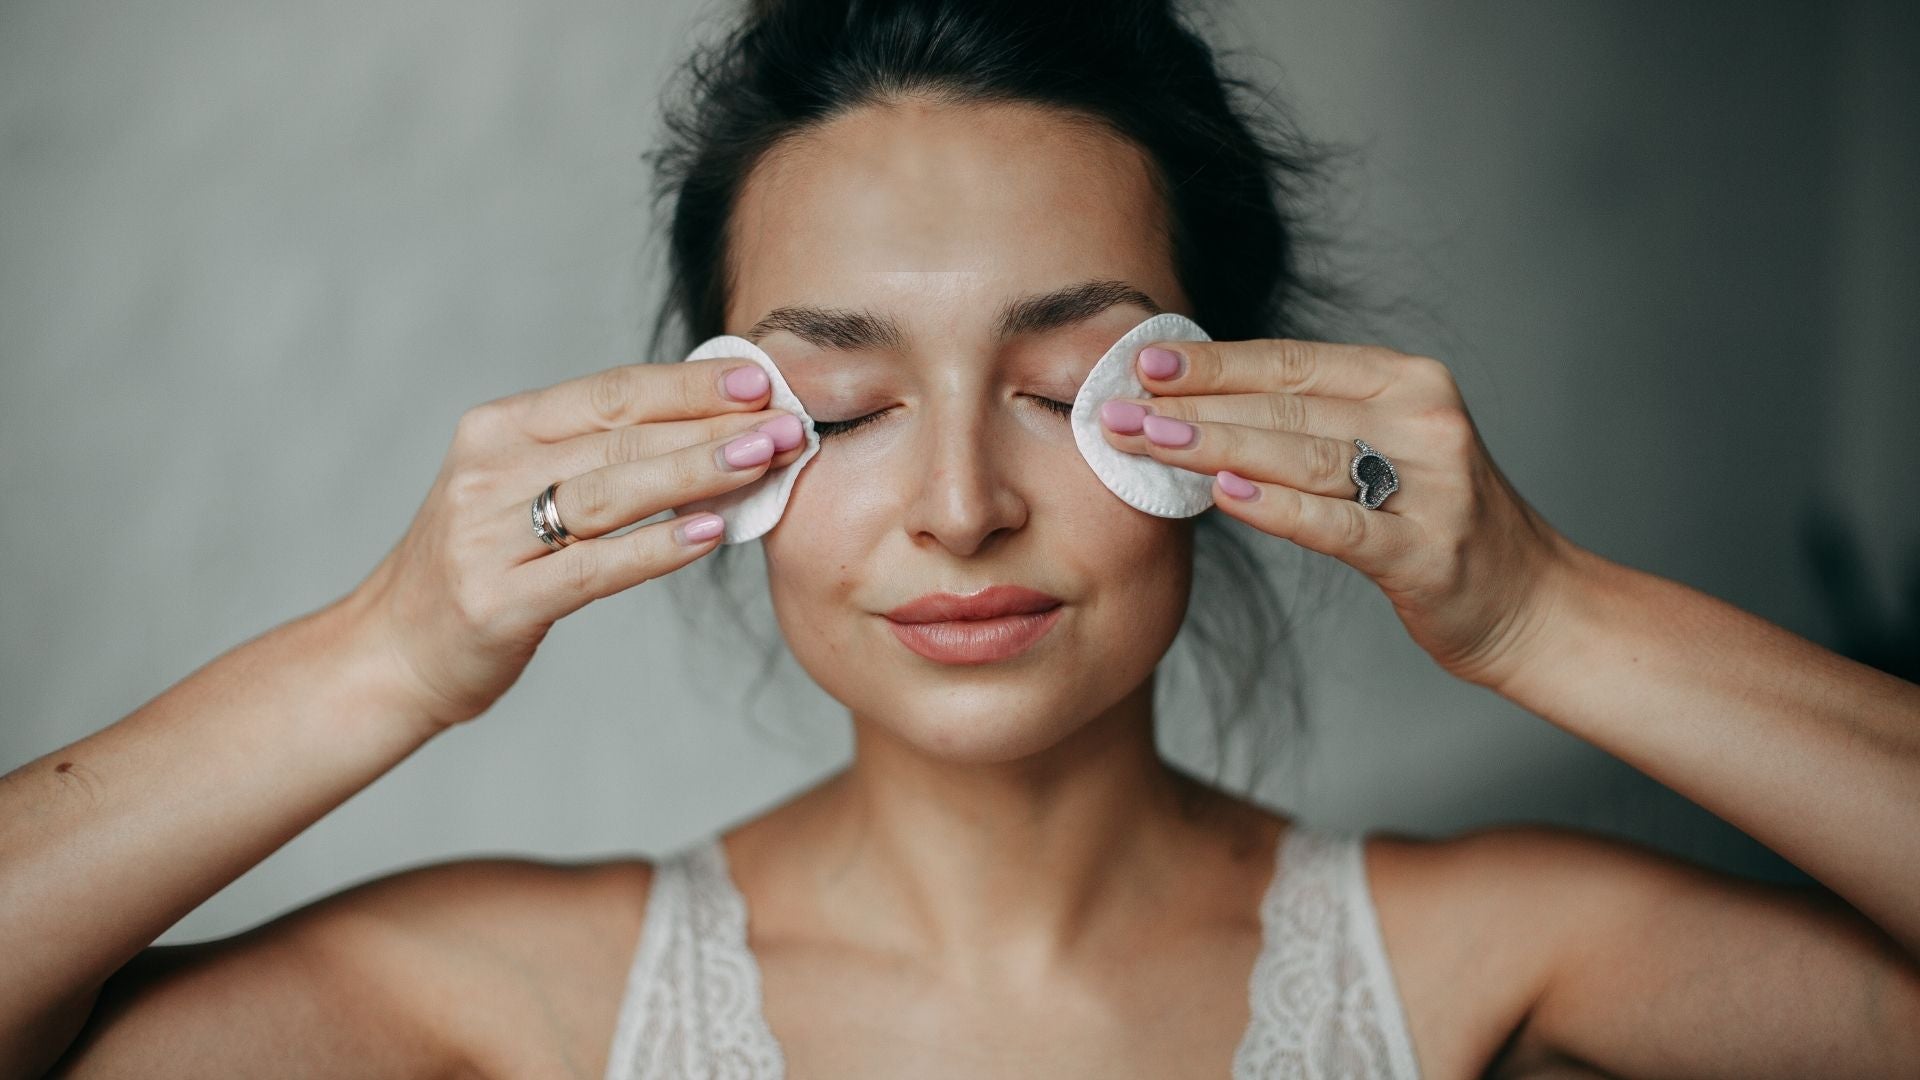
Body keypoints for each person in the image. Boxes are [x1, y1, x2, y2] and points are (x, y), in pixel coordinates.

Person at [5, 0, 1918, 1076]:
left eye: (1068, 384)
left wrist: (1541, 614)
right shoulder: (508, 1000)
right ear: (712, 441)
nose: (956, 506)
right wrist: (392, 649)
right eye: (836, 407)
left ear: (1232, 406)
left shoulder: (1490, 958)